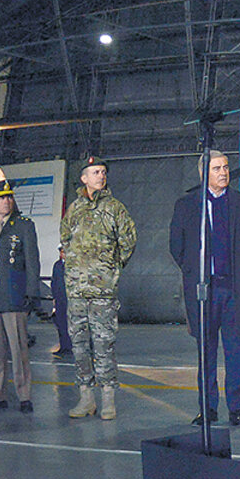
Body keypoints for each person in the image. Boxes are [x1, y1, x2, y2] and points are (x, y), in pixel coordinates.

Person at [170, 150, 240, 428]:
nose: (223, 173)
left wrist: (239, 270)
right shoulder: (186, 206)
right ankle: (208, 409)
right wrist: (194, 272)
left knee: (235, 353)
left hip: (233, 290)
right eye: (217, 168)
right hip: (202, 292)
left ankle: (236, 409)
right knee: (205, 353)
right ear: (203, 174)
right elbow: (177, 246)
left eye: (226, 167)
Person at [61, 156, 137, 420]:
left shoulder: (115, 208)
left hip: (103, 292)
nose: (101, 176)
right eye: (95, 172)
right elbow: (65, 240)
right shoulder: (74, 209)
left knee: (104, 345)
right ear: (84, 178)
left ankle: (107, 400)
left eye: (103, 172)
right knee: (80, 346)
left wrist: (110, 269)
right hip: (77, 292)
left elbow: (128, 241)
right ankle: (86, 399)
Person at [0, 179, 40, 414]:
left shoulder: (23, 225)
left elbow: (32, 261)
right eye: (2, 198)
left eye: (9, 197)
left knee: (18, 348)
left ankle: (24, 395)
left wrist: (31, 293)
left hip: (14, 294)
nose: (7, 201)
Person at [51, 244, 72, 358]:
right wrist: (54, 298)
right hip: (60, 300)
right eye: (61, 252)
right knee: (61, 325)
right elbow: (54, 282)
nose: (62, 254)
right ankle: (64, 347)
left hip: (70, 300)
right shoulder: (57, 265)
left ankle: (72, 347)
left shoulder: (73, 266)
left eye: (64, 252)